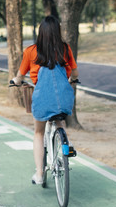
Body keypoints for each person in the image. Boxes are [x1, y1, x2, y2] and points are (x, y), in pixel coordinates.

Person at [11, 16, 79, 185]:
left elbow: (20, 76)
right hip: (64, 98)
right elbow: (75, 74)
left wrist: (16, 81)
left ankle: (40, 174)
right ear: (58, 32)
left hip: (42, 98)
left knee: (38, 133)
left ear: (40, 33)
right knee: (60, 121)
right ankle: (66, 144)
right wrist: (71, 80)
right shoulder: (65, 49)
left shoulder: (31, 51)